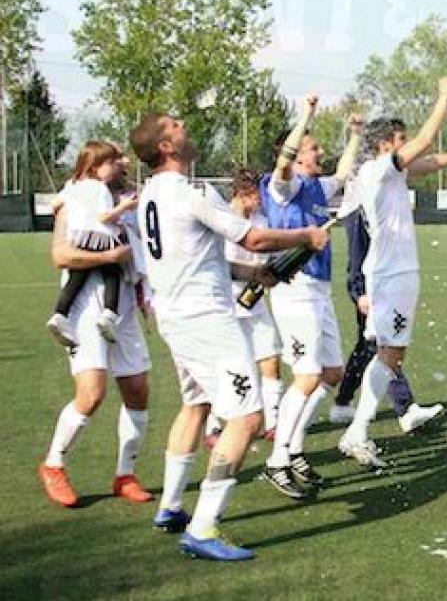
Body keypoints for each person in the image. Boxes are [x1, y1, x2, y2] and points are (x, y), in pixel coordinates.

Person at [131, 113, 327, 561]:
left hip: (177, 317)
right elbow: (254, 237)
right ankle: (202, 528)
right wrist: (307, 235)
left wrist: (247, 273)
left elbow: (195, 256)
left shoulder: (150, 196)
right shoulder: (192, 191)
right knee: (247, 419)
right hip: (209, 321)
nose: (185, 125)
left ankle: (170, 506)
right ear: (165, 147)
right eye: (175, 125)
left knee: (197, 404)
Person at [341, 76, 447, 468]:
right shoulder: (375, 170)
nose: (406, 143)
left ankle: (359, 427)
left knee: (393, 352)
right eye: (400, 138)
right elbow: (424, 143)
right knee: (389, 352)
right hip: (391, 273)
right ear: (385, 144)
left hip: (396, 272)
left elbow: (429, 160)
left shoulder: (391, 172)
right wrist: (444, 97)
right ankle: (357, 430)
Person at [39, 141, 154, 509]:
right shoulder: (73, 201)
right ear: (96, 166)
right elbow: (60, 255)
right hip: (85, 311)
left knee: (137, 391)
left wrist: (144, 293)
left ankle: (125, 475)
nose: (124, 164)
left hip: (122, 309)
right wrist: (108, 255)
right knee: (92, 394)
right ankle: (54, 464)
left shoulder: (130, 205)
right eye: (117, 160)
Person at [257, 100, 361, 499]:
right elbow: (283, 165)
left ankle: (294, 446)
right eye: (312, 148)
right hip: (295, 292)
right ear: (297, 154)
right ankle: (277, 460)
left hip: (318, 291)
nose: (319, 153)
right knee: (305, 375)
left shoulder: (318, 186)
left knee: (330, 374)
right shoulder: (282, 186)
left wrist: (354, 134)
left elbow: (344, 173)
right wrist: (306, 117)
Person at [327, 204, 443, 432]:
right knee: (382, 344)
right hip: (372, 288)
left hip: (379, 284)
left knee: (369, 345)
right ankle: (405, 408)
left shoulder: (370, 206)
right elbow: (358, 252)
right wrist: (359, 291)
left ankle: (343, 401)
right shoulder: (359, 211)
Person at [45, 141, 138, 347]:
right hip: (101, 239)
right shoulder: (101, 189)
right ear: (96, 167)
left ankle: (60, 314)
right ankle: (109, 315)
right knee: (113, 273)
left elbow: (55, 204)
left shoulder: (74, 185)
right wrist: (124, 207)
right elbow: (105, 218)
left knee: (76, 278)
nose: (115, 168)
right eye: (111, 163)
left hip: (80, 239)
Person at [224, 169, 284, 442]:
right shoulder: (223, 220)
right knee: (235, 366)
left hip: (256, 301)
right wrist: (257, 270)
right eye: (256, 196)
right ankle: (218, 422)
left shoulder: (261, 220)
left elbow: (270, 254)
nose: (260, 201)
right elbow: (225, 267)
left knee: (270, 359)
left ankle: (273, 423)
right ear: (242, 194)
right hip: (227, 304)